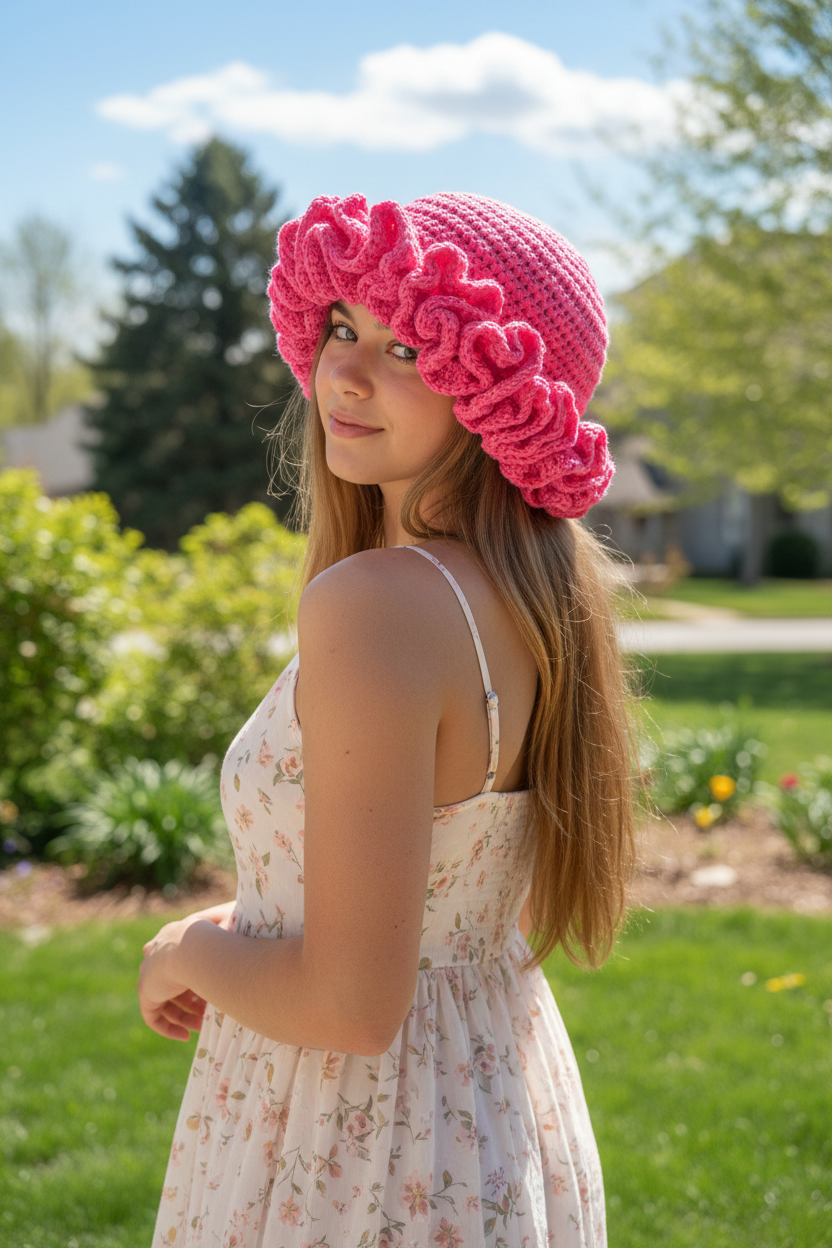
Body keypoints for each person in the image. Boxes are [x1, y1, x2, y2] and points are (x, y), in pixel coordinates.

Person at [140, 192, 635, 1248]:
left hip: (354, 1150)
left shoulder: (377, 606)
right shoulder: (535, 593)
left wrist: (185, 948)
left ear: (497, 390)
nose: (346, 374)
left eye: (411, 345)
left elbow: (350, 1005)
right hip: (489, 1109)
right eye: (340, 330)